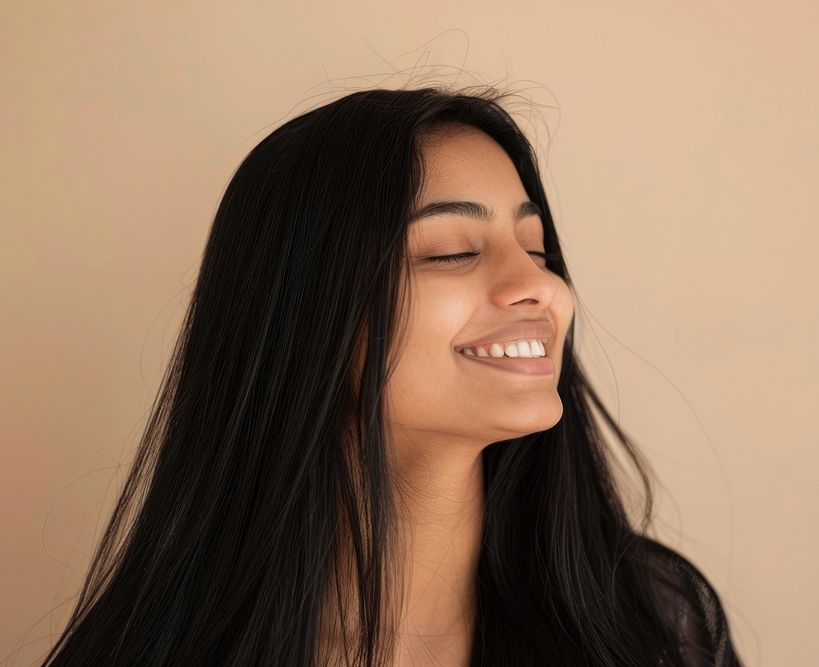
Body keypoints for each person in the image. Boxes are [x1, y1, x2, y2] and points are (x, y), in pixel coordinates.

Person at [40, 85, 743, 666]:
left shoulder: (652, 624)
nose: (541, 288)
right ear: (307, 316)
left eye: (537, 247)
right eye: (451, 251)